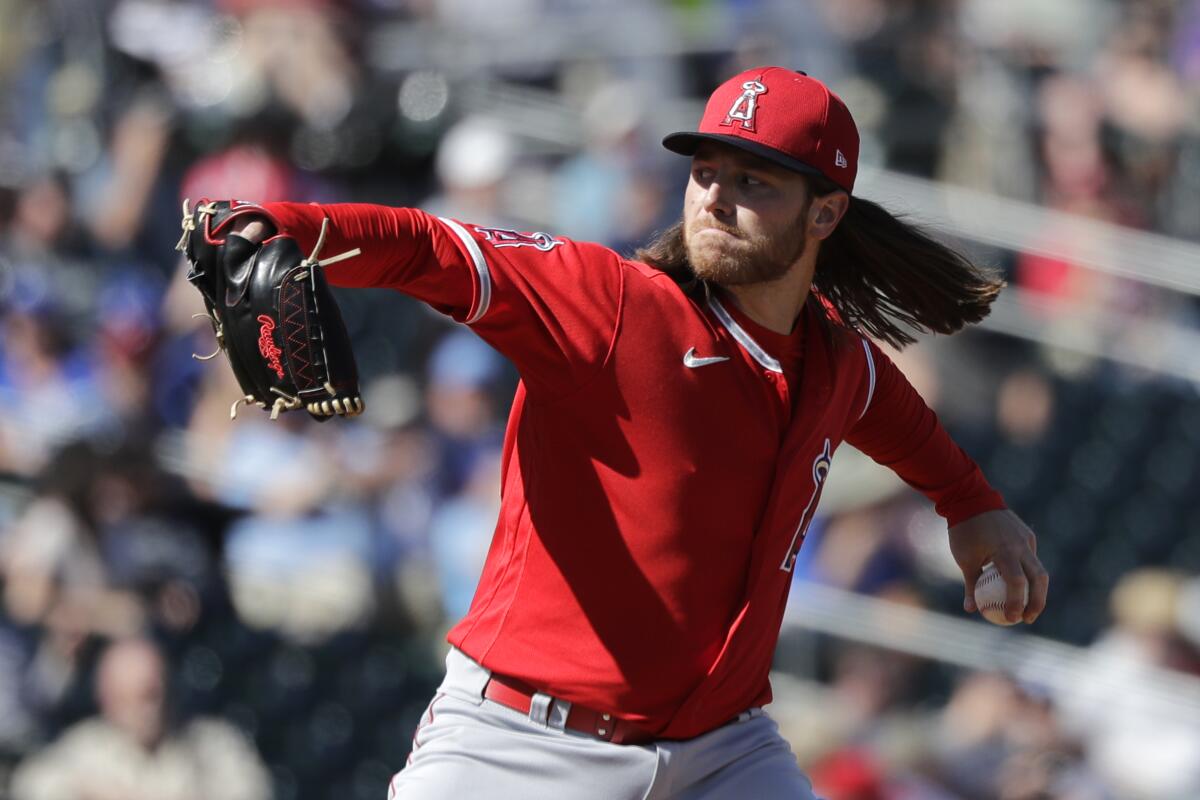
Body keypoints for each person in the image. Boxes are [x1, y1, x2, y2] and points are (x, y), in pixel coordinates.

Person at [214, 67, 1049, 799]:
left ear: (825, 214)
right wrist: (284, 222)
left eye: (755, 182)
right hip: (526, 742)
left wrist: (970, 503)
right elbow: (434, 245)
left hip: (722, 751)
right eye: (707, 171)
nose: (716, 196)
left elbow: (901, 422)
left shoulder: (836, 361)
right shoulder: (614, 304)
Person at [10, 636, 271, 800]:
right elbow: (31, 787)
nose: (146, 709)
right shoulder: (85, 747)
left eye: (151, 693)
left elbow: (252, 790)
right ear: (106, 699)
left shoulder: (211, 742)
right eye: (127, 697)